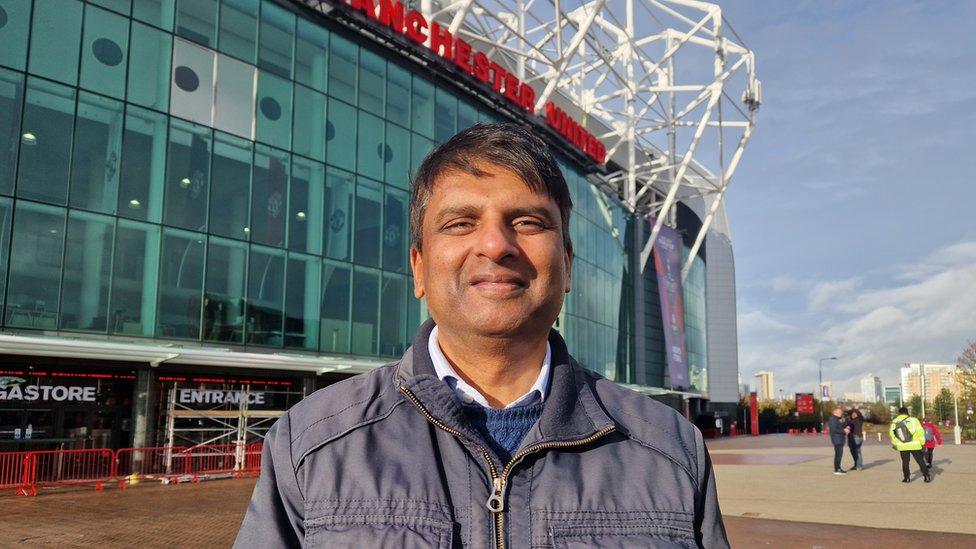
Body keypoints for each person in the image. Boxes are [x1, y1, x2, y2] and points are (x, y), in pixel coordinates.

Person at [235, 123, 729, 548]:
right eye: (460, 223)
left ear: (568, 266)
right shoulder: (309, 445)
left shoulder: (670, 451)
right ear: (419, 269)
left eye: (528, 221)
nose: (495, 244)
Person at [889, 406, 930, 483]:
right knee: (920, 461)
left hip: (902, 445)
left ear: (899, 413)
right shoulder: (914, 420)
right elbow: (920, 432)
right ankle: (926, 476)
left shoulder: (895, 421)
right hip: (915, 445)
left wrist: (896, 443)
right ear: (907, 412)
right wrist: (922, 442)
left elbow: (892, 434)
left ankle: (906, 478)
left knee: (905, 462)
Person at [827, 407, 850, 474]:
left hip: (839, 439)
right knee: (838, 455)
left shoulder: (837, 419)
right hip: (837, 439)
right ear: (835, 412)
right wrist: (844, 431)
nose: (841, 413)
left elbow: (840, 426)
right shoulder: (833, 419)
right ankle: (837, 469)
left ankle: (838, 468)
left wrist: (846, 426)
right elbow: (834, 430)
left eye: (841, 412)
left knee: (839, 454)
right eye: (839, 412)